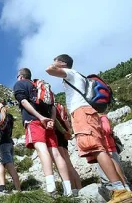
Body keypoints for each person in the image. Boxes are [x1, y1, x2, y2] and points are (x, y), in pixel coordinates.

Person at [46, 54, 132, 202]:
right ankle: (121, 188)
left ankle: (119, 190)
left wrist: (55, 65)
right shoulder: (78, 76)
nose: (53, 63)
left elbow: (49, 70)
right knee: (103, 151)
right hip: (89, 113)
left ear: (62, 63)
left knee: (96, 149)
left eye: (56, 61)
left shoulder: (71, 73)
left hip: (82, 113)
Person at [14, 69, 71, 196]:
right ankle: (68, 190)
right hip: (49, 123)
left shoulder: (20, 84)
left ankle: (51, 188)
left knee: (42, 149)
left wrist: (40, 117)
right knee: (56, 154)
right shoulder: (40, 86)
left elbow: (23, 101)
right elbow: (53, 107)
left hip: (34, 121)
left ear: (20, 76)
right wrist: (50, 119)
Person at [97, 114, 131, 200]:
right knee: (111, 172)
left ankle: (126, 189)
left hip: (109, 148)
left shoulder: (102, 117)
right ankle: (122, 191)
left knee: (118, 171)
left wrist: (96, 130)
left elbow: (107, 129)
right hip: (105, 149)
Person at [54, 103, 82, 195]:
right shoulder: (60, 106)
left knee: (61, 161)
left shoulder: (50, 106)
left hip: (57, 133)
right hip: (64, 134)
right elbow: (65, 120)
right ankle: (79, 188)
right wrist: (68, 131)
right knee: (68, 162)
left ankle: (72, 190)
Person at [0, 113, 21, 193]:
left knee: (2, 164)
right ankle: (17, 187)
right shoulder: (10, 122)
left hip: (2, 144)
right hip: (9, 143)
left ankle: (4, 186)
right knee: (10, 165)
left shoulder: (1, 123)